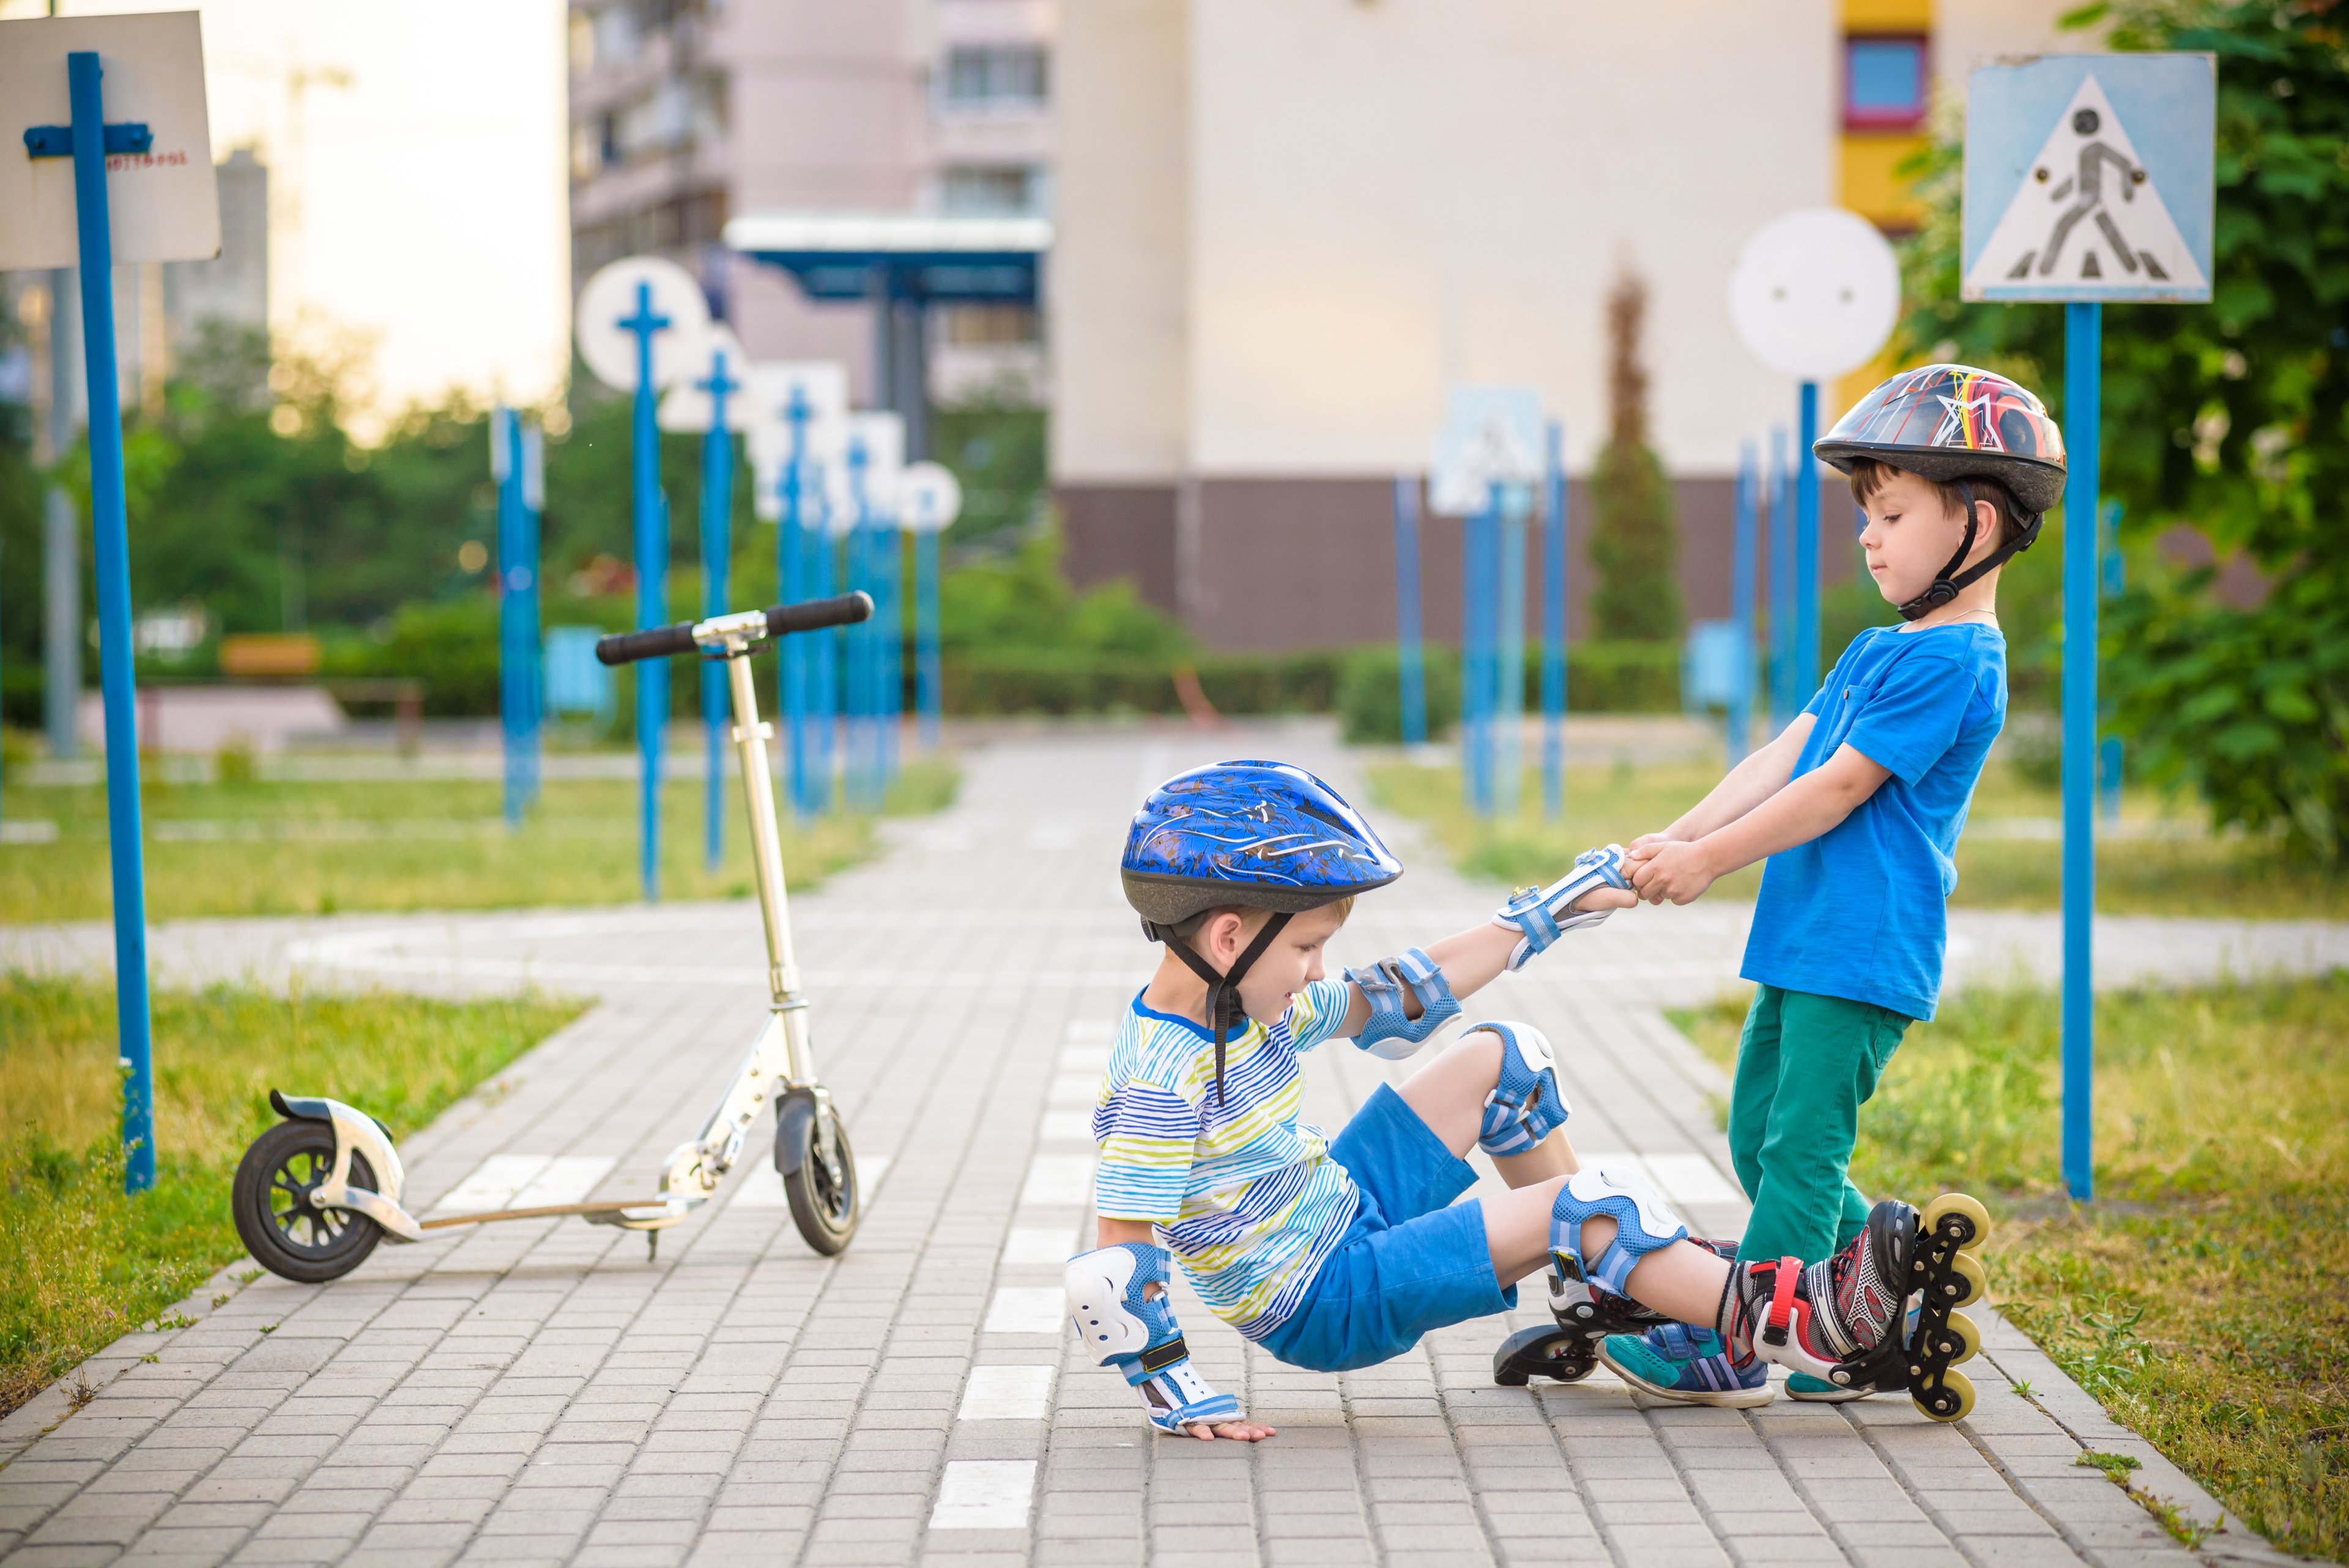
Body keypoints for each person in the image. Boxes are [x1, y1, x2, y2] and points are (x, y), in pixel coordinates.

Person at [1066, 758, 1968, 1439]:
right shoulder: (1159, 1079)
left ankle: (1606, 1289)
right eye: (1306, 947)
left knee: (1506, 1059)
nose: (1318, 969)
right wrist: (1183, 1401)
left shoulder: (1253, 1000)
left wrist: (1556, 909)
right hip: (1328, 1296)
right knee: (1592, 1204)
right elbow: (1115, 1272)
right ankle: (1793, 1323)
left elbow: (1403, 994)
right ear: (1229, 936)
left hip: (1344, 1210)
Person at [1601, 364, 2065, 1405]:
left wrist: (1711, 863)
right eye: (1869, 515)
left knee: (1801, 1153)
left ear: (1978, 528)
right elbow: (1787, 755)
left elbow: (1839, 790)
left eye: (1892, 513)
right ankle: (1882, 1285)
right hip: (1807, 935)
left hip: (1864, 945)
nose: (1870, 536)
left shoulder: (1958, 662)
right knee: (1759, 1132)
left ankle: (1745, 1338)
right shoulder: (1877, 648)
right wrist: (1672, 839)